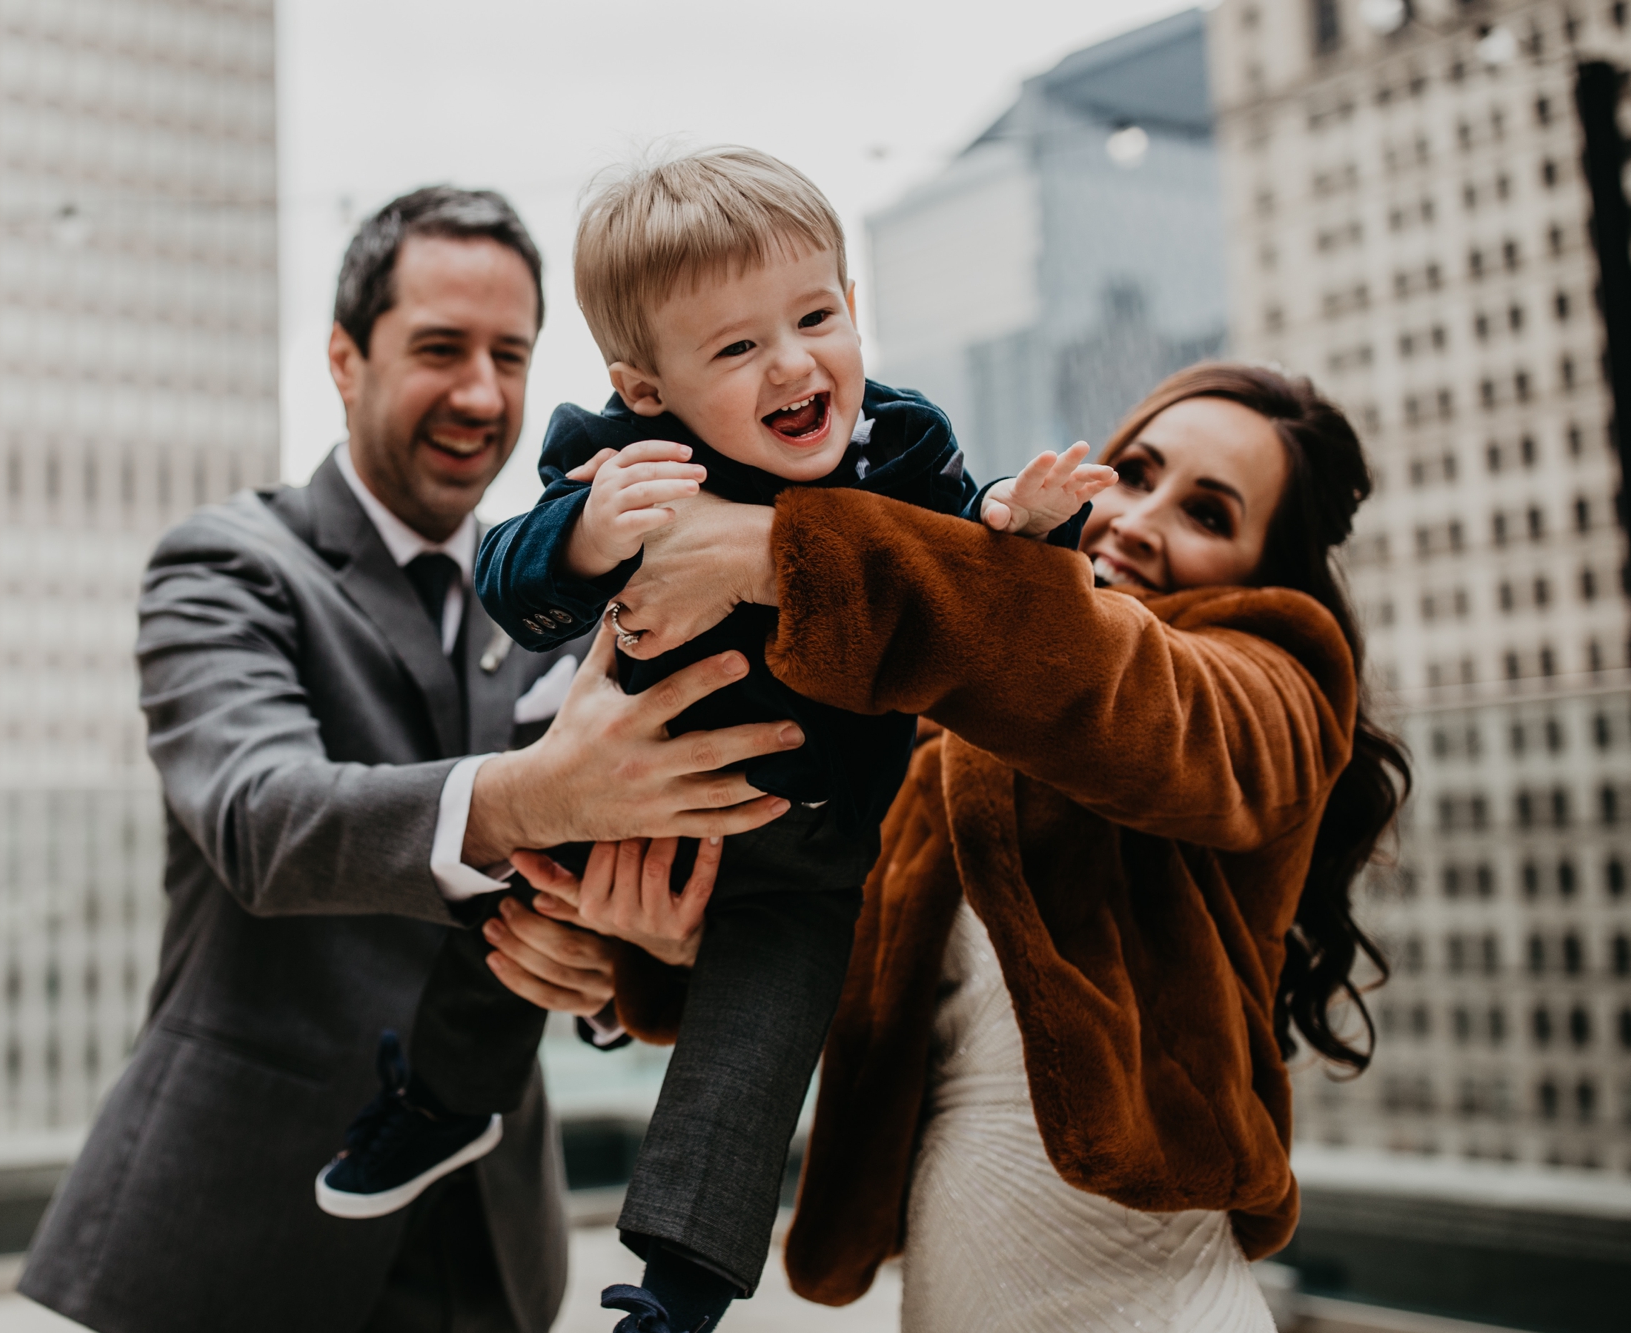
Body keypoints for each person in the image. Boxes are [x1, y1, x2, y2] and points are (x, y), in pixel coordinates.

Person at [315, 147, 1112, 1333]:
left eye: (815, 316)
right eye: (735, 349)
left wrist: (1026, 525)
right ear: (645, 388)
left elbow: (971, 595)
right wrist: (583, 539)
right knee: (509, 918)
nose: (793, 363)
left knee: (750, 1054)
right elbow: (509, 579)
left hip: (814, 837)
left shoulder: (901, 443)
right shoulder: (621, 458)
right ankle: (441, 1099)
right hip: (631, 794)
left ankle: (677, 1297)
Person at [17, 186, 807, 1333]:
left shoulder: (569, 584)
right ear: (343, 358)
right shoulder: (229, 563)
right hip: (239, 1223)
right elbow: (260, 820)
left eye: (510, 354)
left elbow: (608, 885)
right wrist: (540, 795)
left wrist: (629, 962)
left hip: (493, 1247)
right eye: (440, 348)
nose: (481, 393)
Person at [503, 363, 1409, 1331]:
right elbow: (844, 972)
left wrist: (785, 553)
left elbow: (1104, 683)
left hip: (1153, 1301)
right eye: (1134, 472)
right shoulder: (953, 727)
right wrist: (672, 949)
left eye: (1209, 514)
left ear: (1265, 571)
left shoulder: (1273, 686)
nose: (1140, 520)